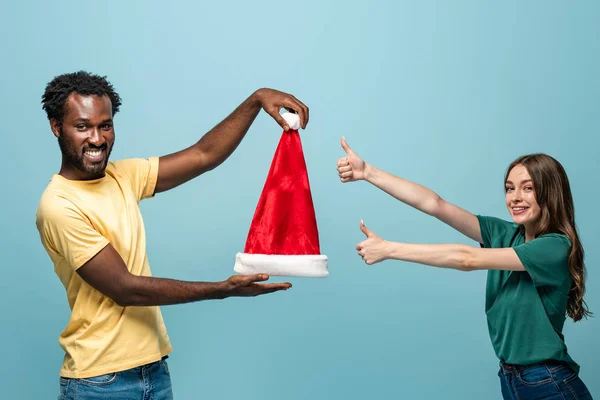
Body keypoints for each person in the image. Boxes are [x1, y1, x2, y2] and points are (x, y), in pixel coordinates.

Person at [36, 71, 308, 399]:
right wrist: (220, 290)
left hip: (153, 370)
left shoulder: (121, 176)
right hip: (99, 382)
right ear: (56, 127)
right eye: (82, 127)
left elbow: (204, 155)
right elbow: (125, 289)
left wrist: (255, 100)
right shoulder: (58, 205)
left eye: (104, 125)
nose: (96, 139)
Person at [336, 137, 593, 399]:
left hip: (548, 382)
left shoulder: (555, 247)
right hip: (512, 379)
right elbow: (435, 204)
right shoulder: (505, 234)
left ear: (549, 193)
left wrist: (389, 249)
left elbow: (466, 259)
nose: (515, 197)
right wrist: (367, 172)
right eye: (509, 188)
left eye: (528, 188)